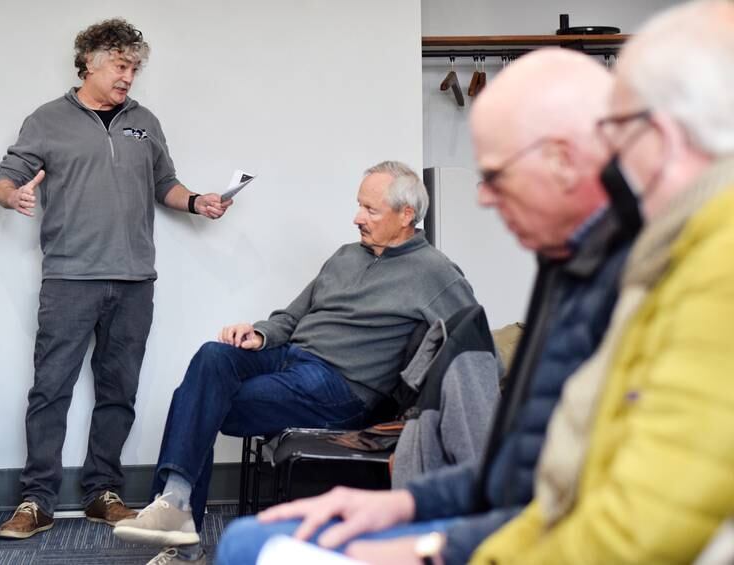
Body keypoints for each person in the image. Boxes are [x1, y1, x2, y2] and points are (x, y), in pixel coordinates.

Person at [214, 48, 635, 565]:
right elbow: (520, 471)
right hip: (493, 516)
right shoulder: (570, 273)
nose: (483, 196)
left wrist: (432, 547)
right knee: (243, 541)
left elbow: (622, 513)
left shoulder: (639, 286)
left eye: (501, 171)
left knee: (250, 547)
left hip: (530, 543)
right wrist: (406, 504)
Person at [469, 1, 734, 563]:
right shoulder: (679, 251)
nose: (607, 157)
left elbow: (641, 531)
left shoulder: (717, 262)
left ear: (659, 135)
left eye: (616, 130)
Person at [112, 160, 479, 564]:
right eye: (359, 205)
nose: (357, 218)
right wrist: (259, 334)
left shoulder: (434, 272)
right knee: (213, 357)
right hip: (290, 359)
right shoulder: (346, 256)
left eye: (370, 210)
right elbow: (290, 316)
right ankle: (177, 505)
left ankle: (181, 529)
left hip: (341, 389)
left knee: (194, 400)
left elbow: (472, 334)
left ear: (407, 215)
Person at [0, 19, 231, 539]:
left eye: (135, 68)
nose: (129, 77)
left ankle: (104, 492)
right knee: (50, 390)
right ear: (90, 64)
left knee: (118, 391)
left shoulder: (145, 121)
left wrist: (195, 201)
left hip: (133, 280)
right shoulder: (47, 120)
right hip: (69, 279)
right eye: (121, 67)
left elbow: (163, 182)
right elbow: (6, 179)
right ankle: (37, 501)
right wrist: (14, 196)